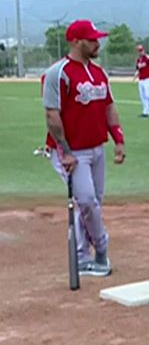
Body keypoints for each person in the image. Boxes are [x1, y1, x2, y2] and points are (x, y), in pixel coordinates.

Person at [42, 19, 126, 277]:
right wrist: (64, 150)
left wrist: (118, 139)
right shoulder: (58, 73)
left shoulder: (99, 73)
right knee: (87, 202)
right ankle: (101, 251)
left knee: (92, 204)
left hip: (96, 147)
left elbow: (109, 106)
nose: (97, 43)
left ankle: (81, 257)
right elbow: (51, 114)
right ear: (76, 41)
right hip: (72, 151)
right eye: (91, 39)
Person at [133, 44, 149, 118]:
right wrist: (135, 77)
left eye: (141, 50)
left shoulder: (147, 58)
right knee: (142, 96)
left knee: (148, 95)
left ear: (143, 50)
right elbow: (138, 70)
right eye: (139, 51)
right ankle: (145, 112)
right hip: (141, 80)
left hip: (148, 79)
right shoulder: (138, 60)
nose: (140, 52)